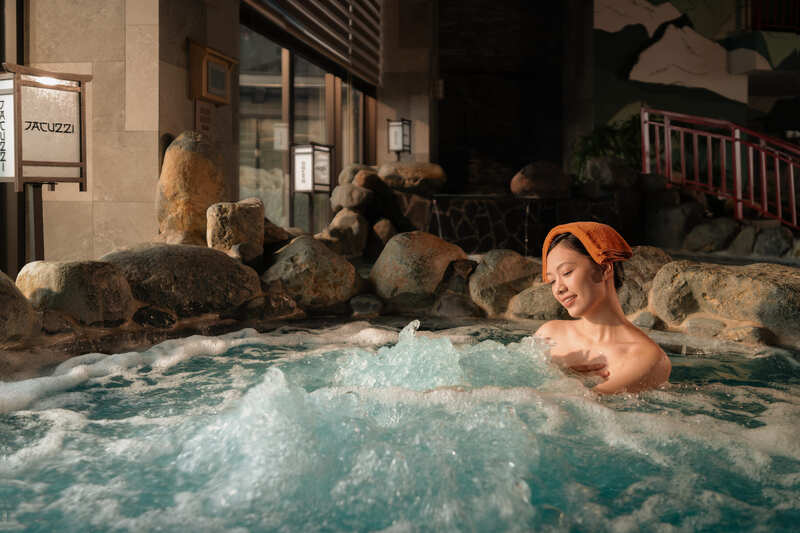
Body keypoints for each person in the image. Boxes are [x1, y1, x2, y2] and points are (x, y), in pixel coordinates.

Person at [534, 222, 671, 394]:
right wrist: (560, 371)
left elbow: (584, 404)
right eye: (552, 281)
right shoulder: (549, 334)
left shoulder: (645, 357)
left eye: (567, 272)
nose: (558, 289)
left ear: (604, 268)